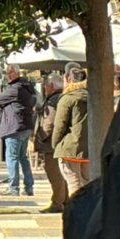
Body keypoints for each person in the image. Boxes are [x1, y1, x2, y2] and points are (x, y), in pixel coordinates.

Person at [0, 64, 37, 196]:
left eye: (10, 72)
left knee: (12, 157)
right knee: (22, 157)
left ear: (17, 73)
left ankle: (14, 188)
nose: (7, 75)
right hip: (25, 126)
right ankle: (29, 187)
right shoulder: (27, 87)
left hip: (14, 127)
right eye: (6, 72)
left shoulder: (15, 88)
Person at [53, 63, 90, 196]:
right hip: (89, 149)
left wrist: (56, 145)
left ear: (68, 79)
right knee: (87, 184)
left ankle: (76, 209)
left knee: (74, 185)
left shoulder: (67, 98)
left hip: (70, 149)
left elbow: (59, 126)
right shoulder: (92, 97)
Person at [34, 73, 66, 213]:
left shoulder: (53, 100)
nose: (45, 88)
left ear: (51, 86)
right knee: (59, 173)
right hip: (58, 142)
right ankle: (63, 200)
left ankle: (58, 202)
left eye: (46, 85)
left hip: (51, 144)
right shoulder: (61, 97)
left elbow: (49, 123)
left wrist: (40, 138)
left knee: (54, 173)